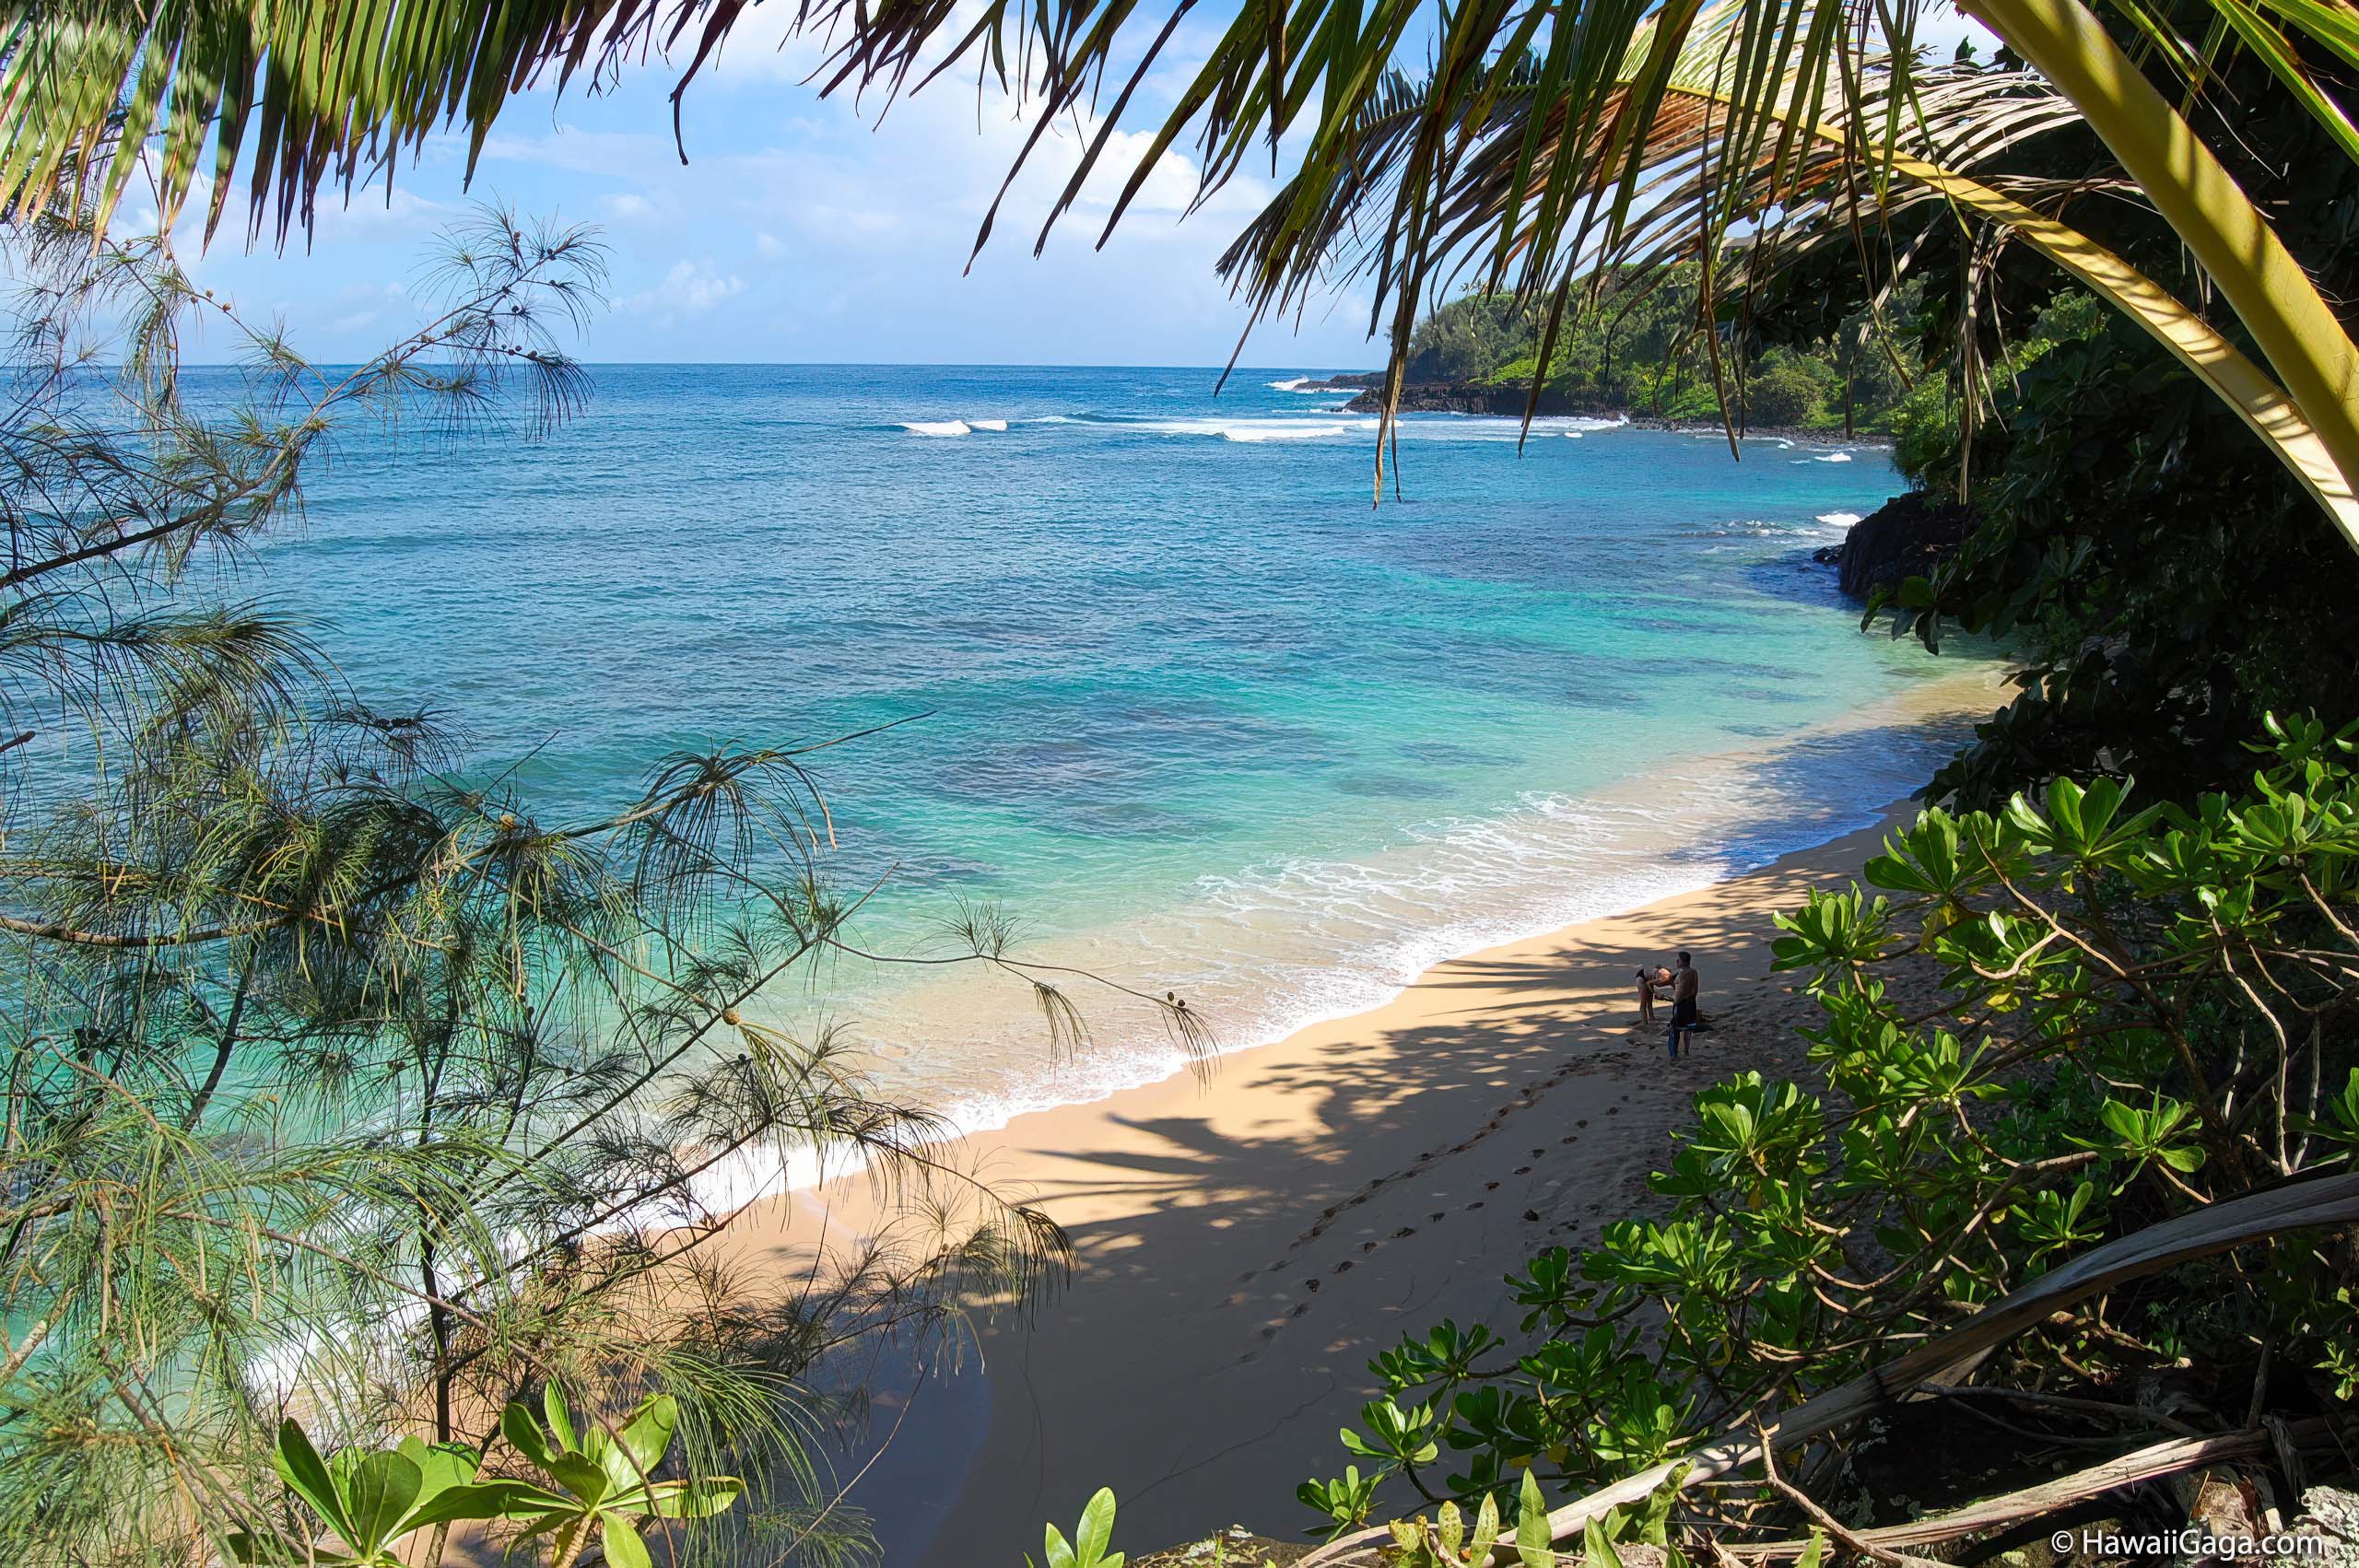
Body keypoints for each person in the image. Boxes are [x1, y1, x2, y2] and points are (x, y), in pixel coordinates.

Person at [1666, 952, 1701, 1059]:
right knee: (1688, 1029)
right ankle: (1686, 1051)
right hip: (1691, 1002)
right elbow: (1696, 989)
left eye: (1678, 960)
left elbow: (1679, 992)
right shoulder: (1694, 972)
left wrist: (1675, 1003)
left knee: (1675, 1028)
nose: (1677, 962)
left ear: (1681, 961)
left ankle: (1674, 1054)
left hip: (1681, 1004)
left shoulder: (1682, 974)